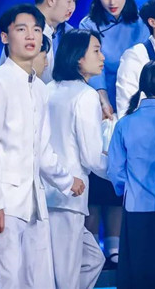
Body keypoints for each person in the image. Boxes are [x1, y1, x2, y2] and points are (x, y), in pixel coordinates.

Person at [0, 4, 85, 288]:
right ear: (5, 37)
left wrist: (67, 181)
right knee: (3, 280)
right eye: (21, 29)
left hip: (34, 203)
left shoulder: (39, 88)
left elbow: (41, 150)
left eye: (36, 29)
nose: (31, 36)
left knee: (37, 281)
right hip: (3, 202)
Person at [79, 0, 148, 265]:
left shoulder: (140, 23)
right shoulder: (88, 23)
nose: (111, 1)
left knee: (120, 175)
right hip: (99, 108)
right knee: (97, 175)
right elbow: (87, 63)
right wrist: (101, 97)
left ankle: (116, 246)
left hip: (131, 106)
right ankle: (90, 247)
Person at [46, 29, 109, 289]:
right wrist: (121, 171)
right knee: (66, 275)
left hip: (45, 194)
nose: (102, 57)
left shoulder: (47, 89)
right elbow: (92, 157)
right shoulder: (85, 95)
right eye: (96, 50)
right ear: (78, 57)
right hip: (69, 195)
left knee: (93, 258)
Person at [108, 61, 155, 289]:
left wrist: (128, 191)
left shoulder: (125, 123)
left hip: (136, 208)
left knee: (137, 274)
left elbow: (115, 170)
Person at [0, 0, 77, 83]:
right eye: (69, 1)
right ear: (51, 0)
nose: (72, 7)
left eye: (74, 0)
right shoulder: (22, 36)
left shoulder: (70, 33)